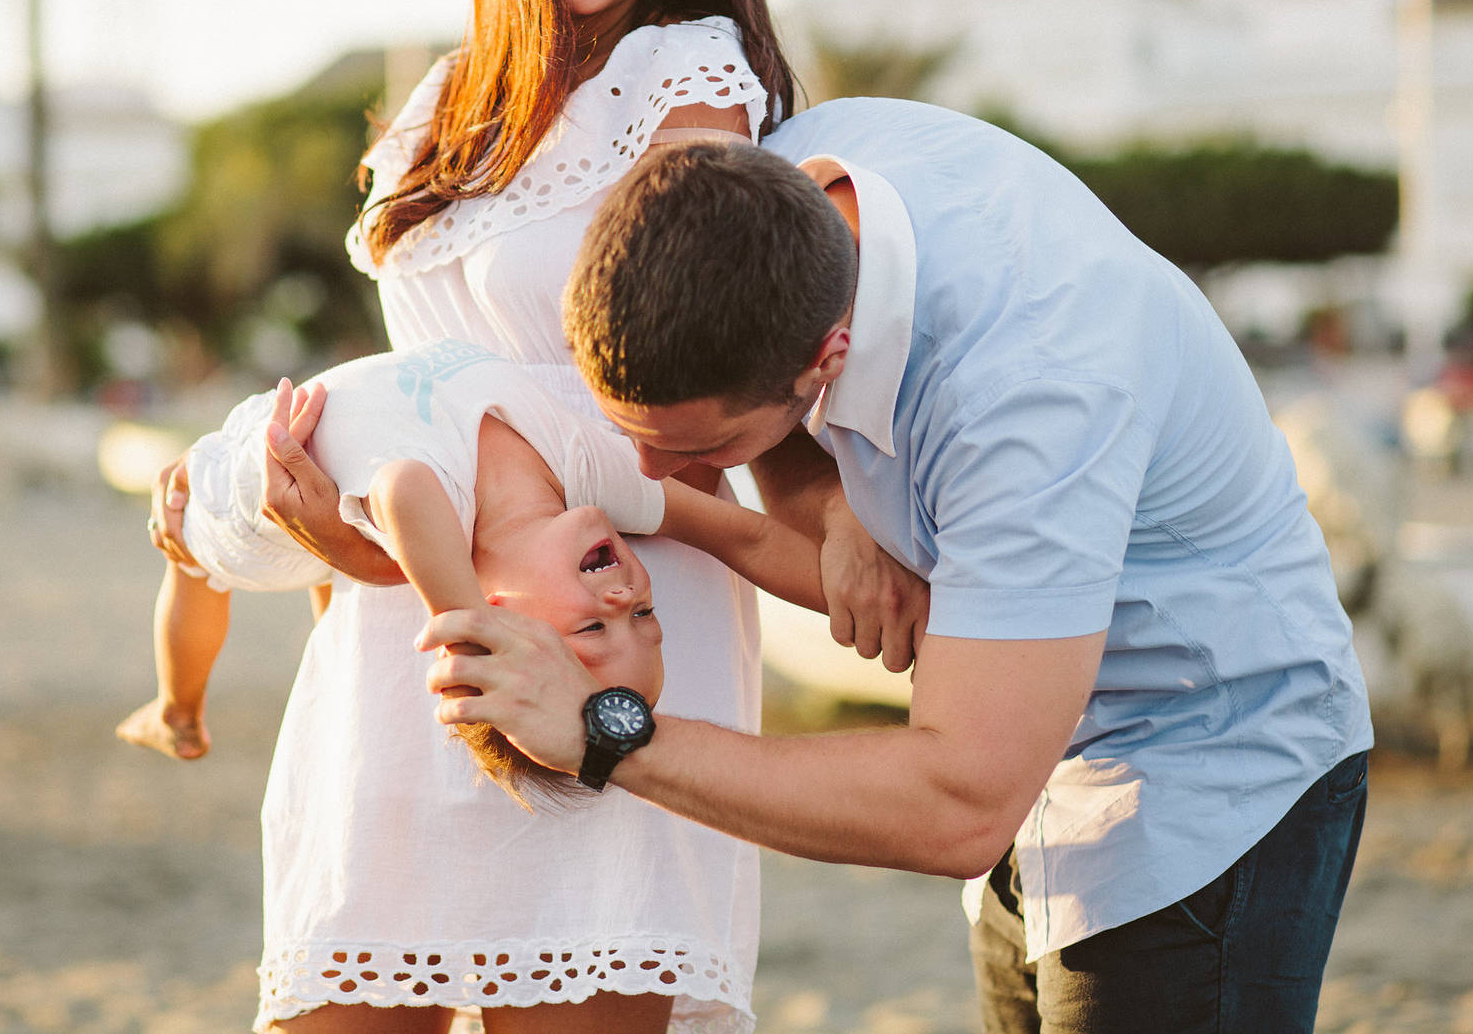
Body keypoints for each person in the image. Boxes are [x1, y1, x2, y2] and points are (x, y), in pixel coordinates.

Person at [150, 0, 923, 1030]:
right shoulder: (440, 109)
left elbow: (722, 340)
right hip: (404, 626)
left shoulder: (685, 72)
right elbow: (405, 395)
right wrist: (321, 543)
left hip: (616, 605)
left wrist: (842, 520)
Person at [420, 108, 1376, 1034]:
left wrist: (604, 736)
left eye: (697, 445)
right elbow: (771, 418)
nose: (653, 473)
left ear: (826, 356)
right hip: (1029, 758)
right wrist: (832, 502)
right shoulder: (781, 183)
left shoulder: (1030, 397)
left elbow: (958, 800)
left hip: (1201, 764)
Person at [118, 342, 823, 809]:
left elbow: (400, 489)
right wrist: (904, 612)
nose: (627, 593)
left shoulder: (441, 511)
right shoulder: (588, 470)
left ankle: (177, 709)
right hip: (315, 456)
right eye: (644, 617)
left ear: (495, 614)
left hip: (246, 495)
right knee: (341, 574)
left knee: (190, 567)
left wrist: (467, 637)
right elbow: (747, 535)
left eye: (592, 625)